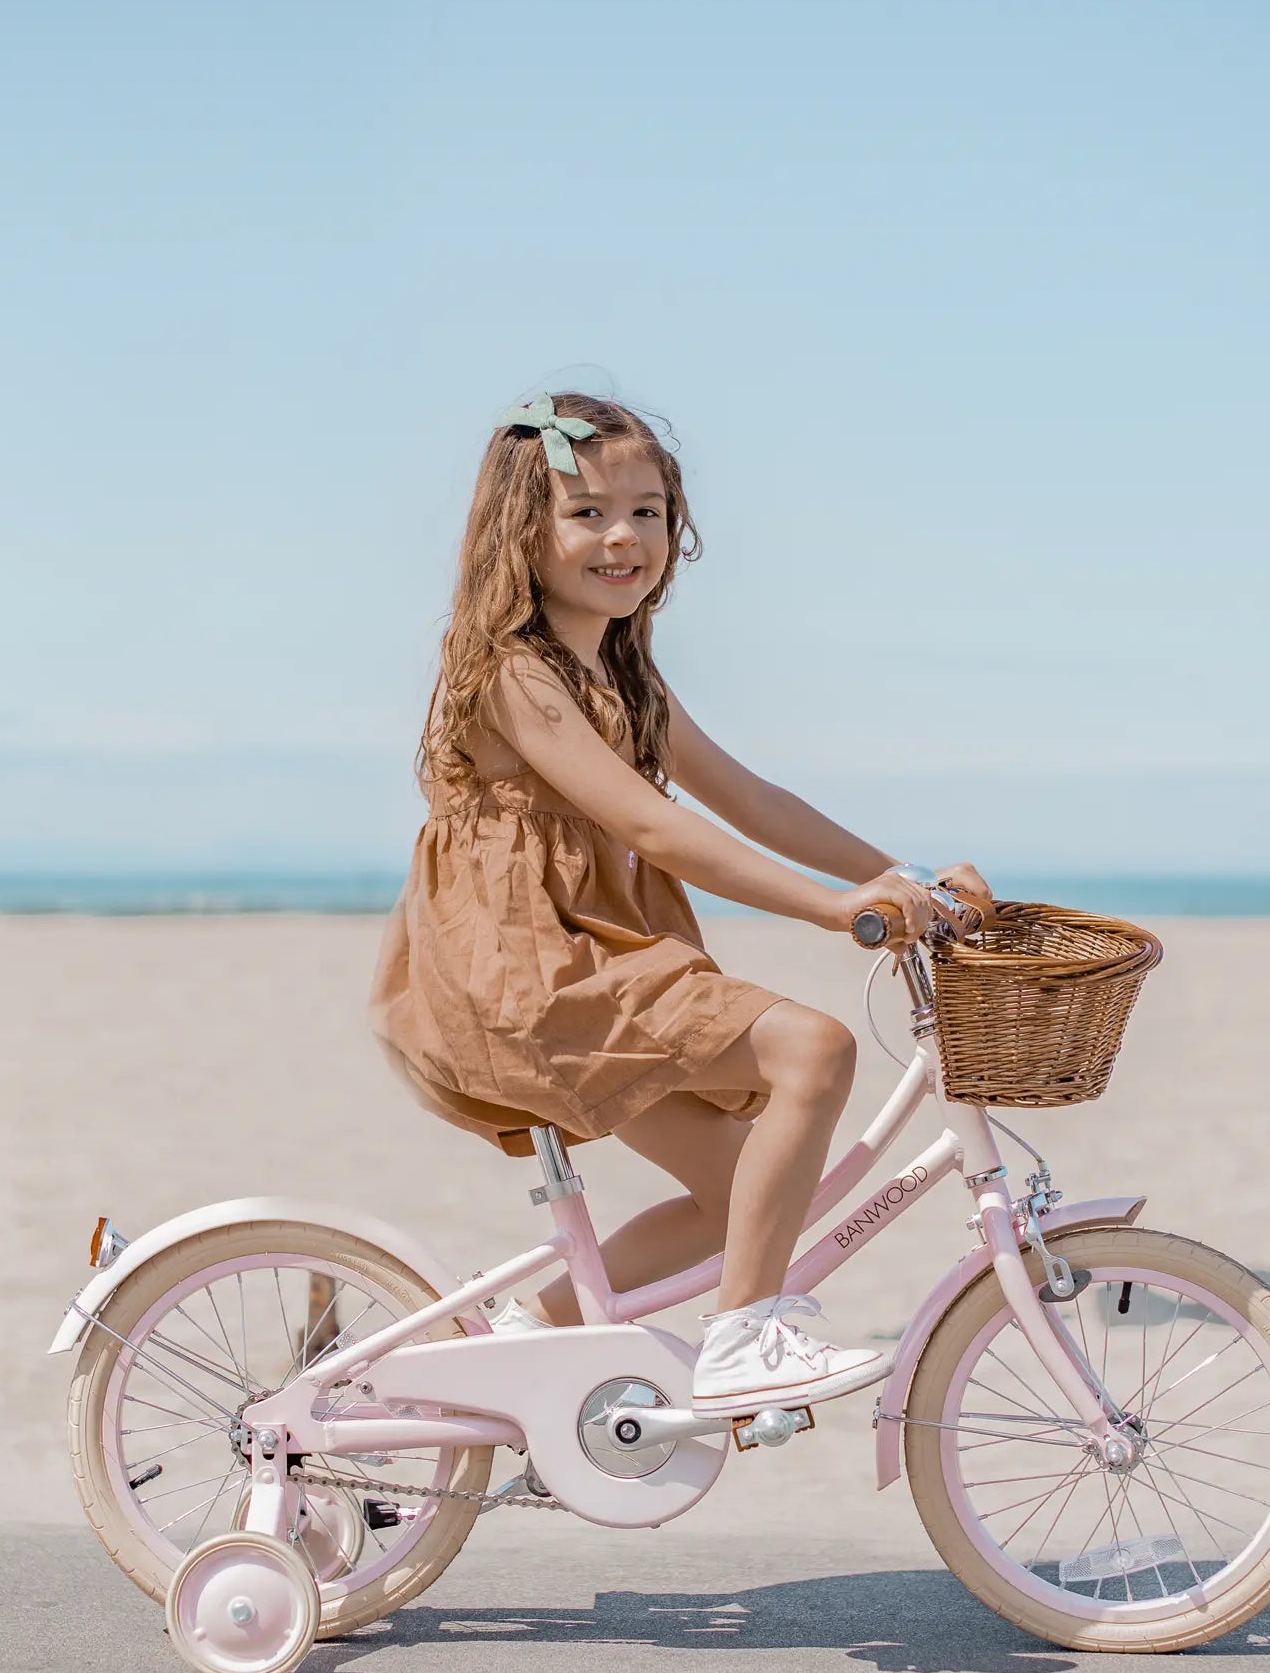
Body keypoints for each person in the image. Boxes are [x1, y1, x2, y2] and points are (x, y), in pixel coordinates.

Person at [371, 392, 992, 1415]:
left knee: (747, 1190)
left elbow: (750, 799)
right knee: (814, 1051)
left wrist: (903, 879)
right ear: (522, 531)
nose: (623, 537)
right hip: (537, 968)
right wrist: (831, 910)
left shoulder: (624, 672)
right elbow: (656, 830)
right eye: (588, 513)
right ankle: (748, 1337)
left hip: (595, 958)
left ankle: (529, 1343)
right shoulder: (513, 676)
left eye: (648, 512)